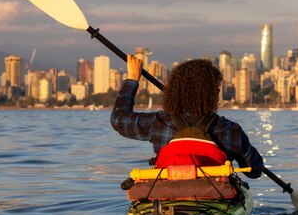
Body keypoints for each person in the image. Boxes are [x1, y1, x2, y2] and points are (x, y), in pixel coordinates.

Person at [111, 55, 263, 179]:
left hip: (167, 196)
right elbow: (254, 171)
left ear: (174, 91)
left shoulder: (158, 123)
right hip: (215, 199)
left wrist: (132, 79)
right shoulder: (230, 130)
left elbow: (118, 119)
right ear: (213, 94)